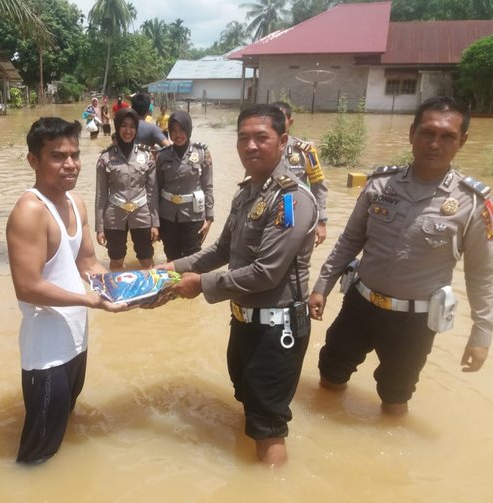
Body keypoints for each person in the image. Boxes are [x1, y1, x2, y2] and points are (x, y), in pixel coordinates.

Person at [308, 96, 493, 416]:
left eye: (447, 136)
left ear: (462, 141)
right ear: (411, 133)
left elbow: (481, 273)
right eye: (427, 132)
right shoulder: (380, 184)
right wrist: (322, 285)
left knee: (395, 397)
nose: (435, 143)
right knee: (330, 373)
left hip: (415, 321)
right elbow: (350, 239)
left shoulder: (473, 203)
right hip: (360, 305)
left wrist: (481, 335)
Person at [162, 104, 319, 465]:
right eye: (243, 138)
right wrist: (169, 268)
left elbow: (267, 272)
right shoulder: (248, 192)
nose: (250, 146)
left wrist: (199, 284)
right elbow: (219, 250)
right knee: (250, 406)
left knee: (268, 425)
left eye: (261, 138)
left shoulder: (290, 199)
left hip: (277, 332)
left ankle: (269, 485)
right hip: (245, 322)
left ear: (282, 141)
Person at [6, 117, 128, 465]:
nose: (71, 164)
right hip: (46, 353)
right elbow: (27, 287)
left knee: (67, 426)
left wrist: (130, 289)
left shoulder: (76, 202)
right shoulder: (30, 211)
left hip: (76, 341)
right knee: (37, 454)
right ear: (34, 160)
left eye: (75, 154)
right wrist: (89, 300)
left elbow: (89, 264)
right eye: (58, 156)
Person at [95, 108, 159, 270]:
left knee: (146, 260)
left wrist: (155, 224)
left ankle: (149, 295)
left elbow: (152, 192)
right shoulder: (105, 157)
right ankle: (119, 293)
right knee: (116, 260)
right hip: (114, 216)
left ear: (136, 129)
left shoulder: (147, 156)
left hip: (142, 214)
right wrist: (99, 227)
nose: (128, 130)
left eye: (132, 126)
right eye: (124, 126)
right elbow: (101, 195)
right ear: (117, 127)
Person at [155, 111, 214, 261]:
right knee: (172, 257)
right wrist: (154, 221)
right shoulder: (162, 155)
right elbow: (156, 188)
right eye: (173, 130)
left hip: (193, 216)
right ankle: (173, 285)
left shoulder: (202, 152)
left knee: (192, 258)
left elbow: (208, 186)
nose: (177, 134)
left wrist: (209, 217)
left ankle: (190, 285)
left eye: (181, 129)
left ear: (188, 129)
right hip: (167, 216)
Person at [270, 101, 328, 246]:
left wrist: (321, 221)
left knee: (298, 263)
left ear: (290, 122)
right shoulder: (259, 148)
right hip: (266, 213)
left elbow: (318, 185)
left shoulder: (305, 151)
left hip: (296, 211)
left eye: (281, 119)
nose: (276, 123)